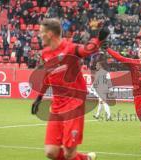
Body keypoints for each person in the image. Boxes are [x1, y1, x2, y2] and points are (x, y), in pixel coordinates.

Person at [31, 18, 109, 160]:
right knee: (50, 152)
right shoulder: (45, 53)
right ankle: (85, 158)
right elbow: (48, 76)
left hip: (74, 104)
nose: (39, 35)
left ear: (49, 34)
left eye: (41, 32)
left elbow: (86, 50)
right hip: (57, 105)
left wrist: (99, 39)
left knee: (68, 153)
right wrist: (39, 97)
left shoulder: (70, 49)